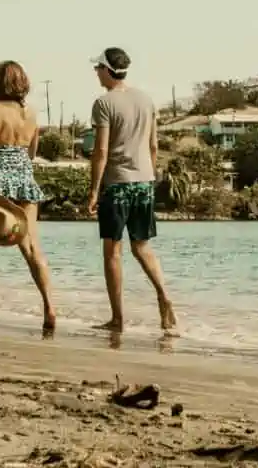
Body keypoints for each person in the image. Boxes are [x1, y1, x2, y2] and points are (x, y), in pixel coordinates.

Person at [86, 47, 176, 333]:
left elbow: (100, 151)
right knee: (143, 246)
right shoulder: (146, 100)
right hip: (144, 181)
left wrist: (93, 191)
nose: (95, 73)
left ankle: (117, 319)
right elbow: (154, 146)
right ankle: (164, 295)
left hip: (117, 184)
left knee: (112, 252)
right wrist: (148, 176)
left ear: (106, 70)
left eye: (97, 68)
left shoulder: (103, 103)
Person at [0, 60, 55, 334]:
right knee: (31, 249)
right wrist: (22, 174)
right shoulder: (32, 114)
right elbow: (32, 152)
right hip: (25, 179)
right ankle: (50, 307)